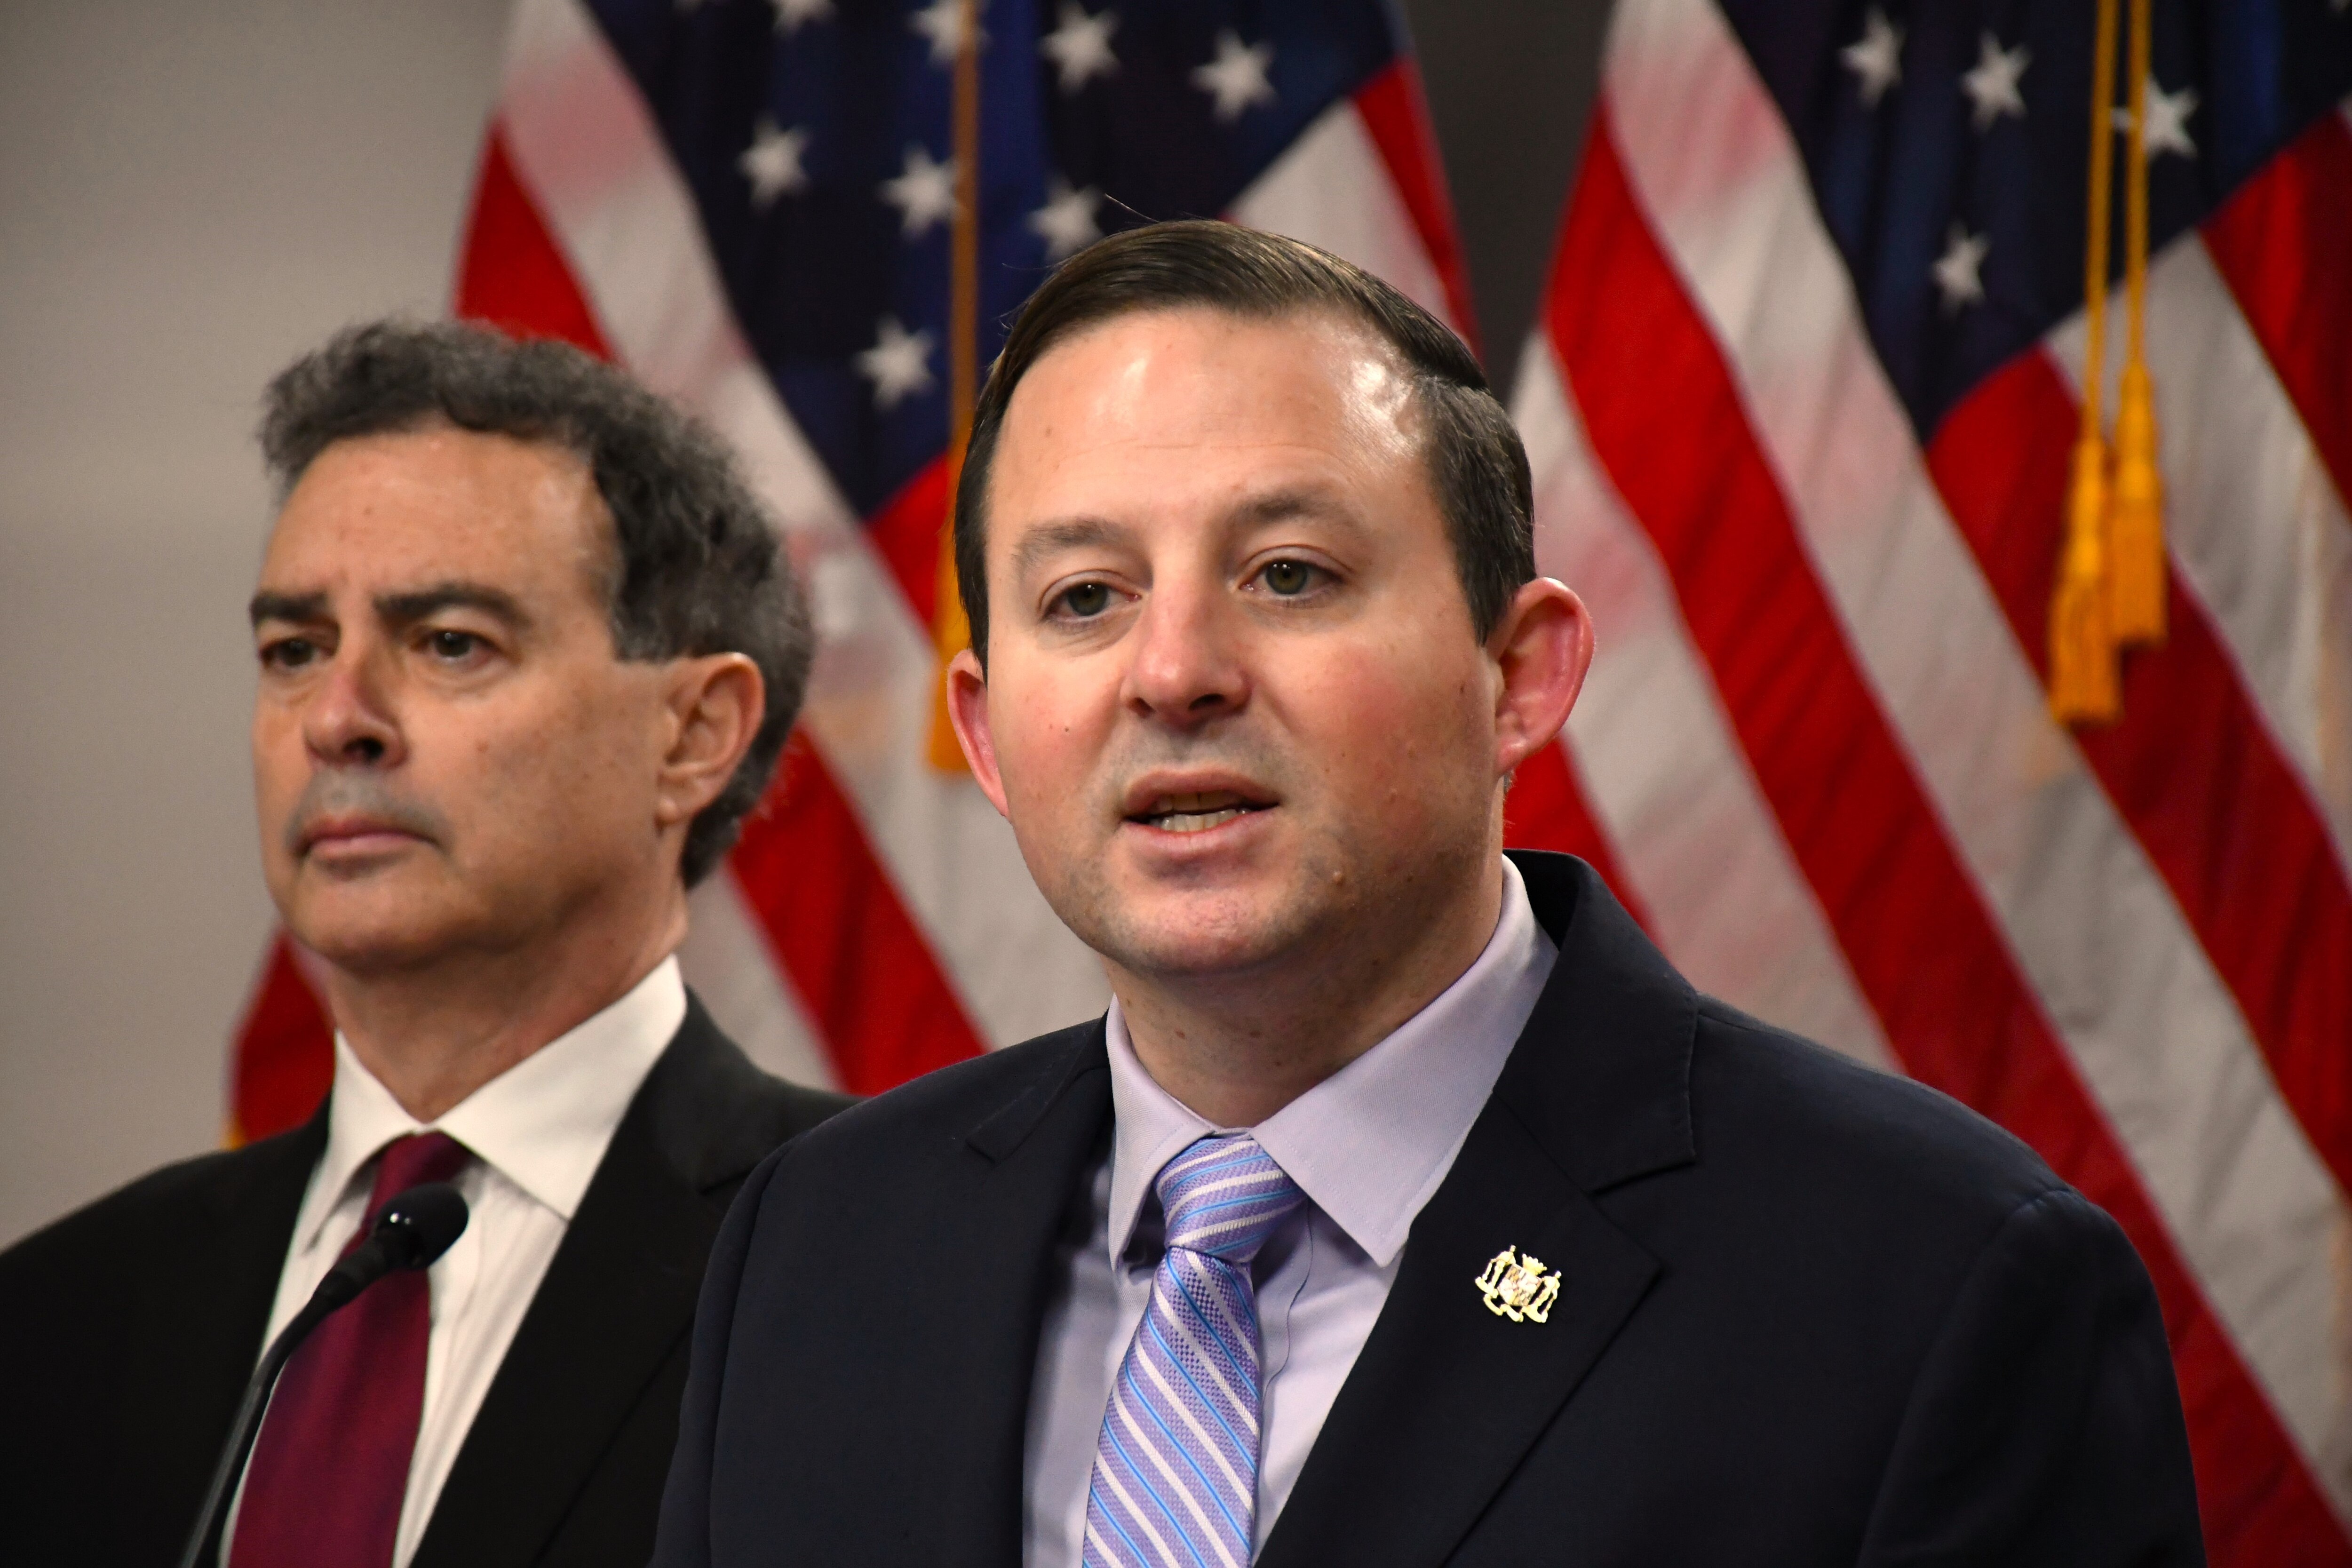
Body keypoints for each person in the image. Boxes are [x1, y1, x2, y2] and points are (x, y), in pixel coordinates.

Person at [650, 222, 2204, 1568]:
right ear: (990, 737)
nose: (1175, 674)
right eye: (1085, 599)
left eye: (1291, 574)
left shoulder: (1935, 1290)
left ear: (1518, 675)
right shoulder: (823, 1240)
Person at [0, 321, 848, 1568]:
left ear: (693, 735)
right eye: (294, 651)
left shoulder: (865, 1257)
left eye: (451, 642)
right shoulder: (60, 1313)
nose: (337, 719)